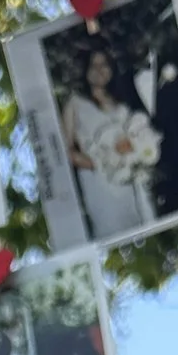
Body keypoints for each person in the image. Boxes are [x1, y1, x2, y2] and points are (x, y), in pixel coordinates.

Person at [63, 39, 163, 243]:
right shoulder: (75, 103)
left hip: (132, 180)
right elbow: (66, 150)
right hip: (99, 183)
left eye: (104, 65)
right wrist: (97, 163)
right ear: (85, 69)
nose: (100, 70)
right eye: (94, 65)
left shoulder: (121, 101)